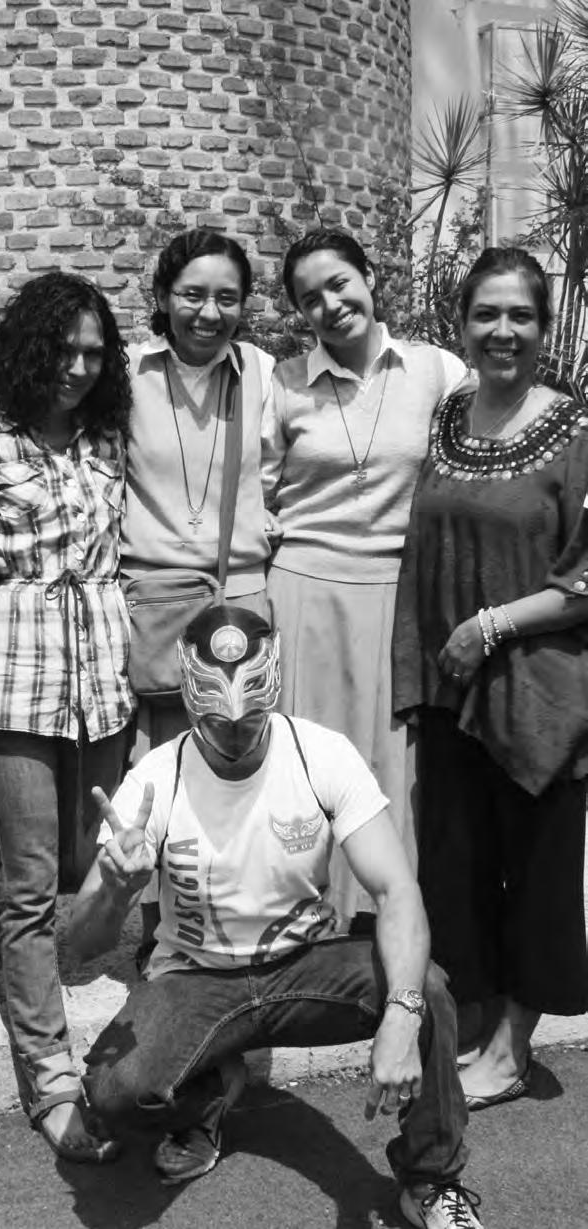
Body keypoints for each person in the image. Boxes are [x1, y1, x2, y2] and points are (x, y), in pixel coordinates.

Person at [71, 605, 486, 1229]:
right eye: (219, 722)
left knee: (425, 989)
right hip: (196, 977)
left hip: (305, 966)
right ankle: (209, 1099)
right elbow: (81, 943)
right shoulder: (154, 780)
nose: (236, 735)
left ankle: (431, 1180)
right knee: (112, 1090)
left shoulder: (322, 754)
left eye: (250, 719)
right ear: (191, 701)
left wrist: (401, 1015)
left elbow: (397, 891)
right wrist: (114, 889)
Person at [393, 246, 588, 1110]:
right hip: (451, 688)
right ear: (461, 324)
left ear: (543, 328)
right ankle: (473, 1024)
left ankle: (511, 1050)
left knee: (536, 872)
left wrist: (491, 626)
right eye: (485, 314)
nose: (501, 330)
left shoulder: (577, 431)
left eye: (519, 315)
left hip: (539, 691)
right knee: (459, 864)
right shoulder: (448, 416)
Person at [260, 228, 467, 928]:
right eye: (309, 298)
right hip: (303, 590)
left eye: (339, 283)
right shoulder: (283, 383)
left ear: (369, 278)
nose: (329, 304)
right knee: (303, 759)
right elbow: (257, 493)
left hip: (397, 595)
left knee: (389, 766)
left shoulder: (436, 370)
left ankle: (386, 920)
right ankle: (303, 917)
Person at [0, 272, 133, 1164]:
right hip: (14, 678)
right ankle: (52, 1081)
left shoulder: (107, 436)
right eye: (63, 349)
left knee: (95, 859)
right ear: (30, 348)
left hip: (102, 675)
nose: (77, 367)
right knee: (31, 882)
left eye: (93, 352)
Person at [123, 228, 277, 755]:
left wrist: (270, 513)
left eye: (227, 298)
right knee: (156, 764)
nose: (209, 313)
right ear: (163, 296)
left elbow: (279, 467)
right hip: (153, 604)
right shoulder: (127, 373)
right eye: (192, 295)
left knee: (239, 754)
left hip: (239, 595)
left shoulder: (260, 371)